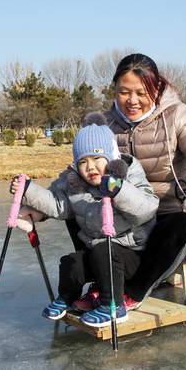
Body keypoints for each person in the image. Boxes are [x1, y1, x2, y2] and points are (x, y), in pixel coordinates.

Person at [77, 53, 186, 308]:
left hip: (167, 212)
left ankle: (133, 291)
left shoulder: (176, 115)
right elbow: (76, 171)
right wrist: (36, 205)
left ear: (155, 88)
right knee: (78, 206)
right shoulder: (104, 125)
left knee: (185, 224)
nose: (132, 101)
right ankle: (103, 281)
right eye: (124, 92)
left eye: (141, 93)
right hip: (123, 218)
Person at [11, 124, 159, 327]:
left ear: (111, 156)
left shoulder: (129, 172)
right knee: (72, 262)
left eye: (97, 159)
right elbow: (58, 205)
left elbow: (146, 209)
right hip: (99, 252)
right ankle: (67, 297)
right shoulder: (75, 181)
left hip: (131, 255)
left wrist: (119, 189)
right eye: (83, 161)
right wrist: (28, 190)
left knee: (102, 251)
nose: (90, 167)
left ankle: (113, 306)